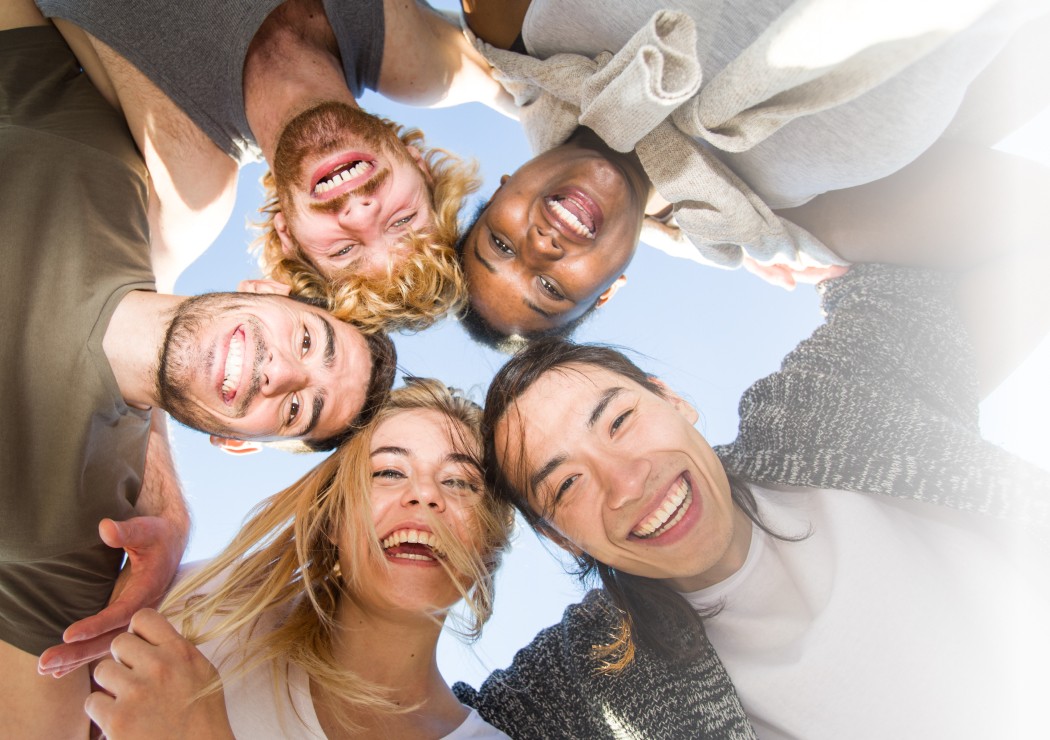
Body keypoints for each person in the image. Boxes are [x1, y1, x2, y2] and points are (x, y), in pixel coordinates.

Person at [0, 10, 396, 735]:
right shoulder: (117, 168)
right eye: (310, 342)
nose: (285, 375)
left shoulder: (79, 543)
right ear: (266, 292)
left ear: (239, 442)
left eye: (299, 412)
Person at [460, 263, 1050, 737]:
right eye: (566, 485)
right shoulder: (582, 676)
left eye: (618, 421)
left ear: (673, 400)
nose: (628, 482)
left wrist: (713, 222)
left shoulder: (817, 412)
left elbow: (938, 252)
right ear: (559, 537)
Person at [455, 0, 1048, 348]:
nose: (538, 250)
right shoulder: (783, 222)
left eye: (499, 243)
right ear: (609, 292)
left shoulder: (516, 31)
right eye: (552, 290)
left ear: (502, 185)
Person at [35, 0, 512, 330]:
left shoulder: (187, 186)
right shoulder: (417, 56)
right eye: (403, 220)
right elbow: (549, 92)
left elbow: (115, 317)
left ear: (287, 234)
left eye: (344, 251)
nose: (362, 215)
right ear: (420, 167)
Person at [84, 379, 515, 739]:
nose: (424, 494)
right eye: (388, 472)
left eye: (460, 482)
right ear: (333, 520)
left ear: (490, 545)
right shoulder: (205, 610)